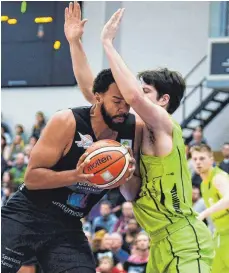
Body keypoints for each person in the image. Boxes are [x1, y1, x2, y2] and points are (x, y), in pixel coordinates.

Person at [66, 3, 214, 272]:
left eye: (146, 91)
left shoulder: (165, 125)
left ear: (163, 100)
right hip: (159, 243)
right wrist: (75, 42)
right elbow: (93, 94)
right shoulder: (135, 128)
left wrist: (108, 43)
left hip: (184, 239)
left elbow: (131, 95)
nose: (132, 97)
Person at [1, 28, 142, 273]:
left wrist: (126, 176)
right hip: (26, 215)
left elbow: (131, 190)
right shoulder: (67, 121)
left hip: (67, 226)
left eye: (128, 102)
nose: (123, 108)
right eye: (117, 101)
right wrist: (76, 176)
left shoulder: (132, 129)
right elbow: (32, 179)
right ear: (97, 97)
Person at [191, 144, 229, 273]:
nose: (198, 162)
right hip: (220, 235)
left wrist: (203, 214)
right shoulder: (203, 184)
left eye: (202, 158)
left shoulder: (218, 177)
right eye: (195, 159)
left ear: (211, 159)